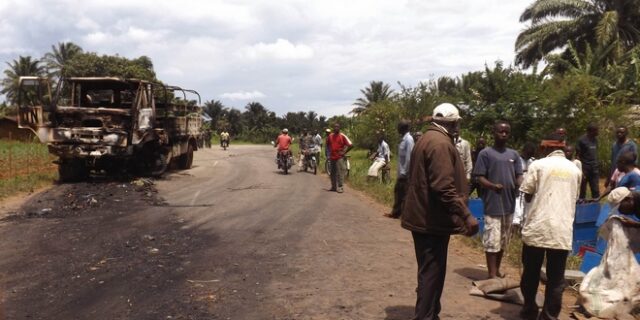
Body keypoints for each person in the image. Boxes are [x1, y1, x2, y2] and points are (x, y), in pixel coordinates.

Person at [401, 103, 479, 320]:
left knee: (430, 272)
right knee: (431, 274)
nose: (459, 128)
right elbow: (443, 187)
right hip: (430, 221)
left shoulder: (427, 139)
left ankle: (431, 313)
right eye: (458, 124)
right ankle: (425, 315)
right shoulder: (440, 144)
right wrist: (465, 215)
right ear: (453, 123)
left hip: (426, 218)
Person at [518, 138, 581, 320]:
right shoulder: (575, 170)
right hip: (561, 230)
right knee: (556, 278)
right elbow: (573, 197)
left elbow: (527, 194)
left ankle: (529, 309)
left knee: (531, 271)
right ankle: (549, 316)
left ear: (545, 147)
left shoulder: (538, 165)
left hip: (538, 226)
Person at [473, 120, 523, 279]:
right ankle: (492, 273)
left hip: (509, 204)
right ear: (493, 133)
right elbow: (479, 177)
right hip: (493, 204)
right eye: (500, 131)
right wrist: (492, 186)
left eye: (506, 132)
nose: (503, 134)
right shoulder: (485, 154)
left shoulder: (514, 155)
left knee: (503, 241)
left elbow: (519, 175)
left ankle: (497, 270)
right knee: (492, 240)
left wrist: (520, 183)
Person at [385, 120, 414, 219]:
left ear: (403, 128)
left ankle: (405, 216)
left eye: (399, 127)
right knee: (398, 192)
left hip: (405, 173)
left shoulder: (408, 140)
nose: (397, 129)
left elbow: (409, 158)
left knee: (404, 194)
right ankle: (396, 213)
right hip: (401, 172)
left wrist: (404, 173)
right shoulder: (403, 139)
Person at [327, 123, 353, 193]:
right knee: (332, 173)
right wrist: (329, 154)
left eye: (337, 127)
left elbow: (350, 145)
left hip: (339, 157)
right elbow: (328, 145)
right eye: (335, 127)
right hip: (332, 157)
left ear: (339, 128)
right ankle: (333, 187)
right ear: (333, 128)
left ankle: (340, 187)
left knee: (340, 173)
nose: (336, 128)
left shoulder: (342, 136)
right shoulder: (330, 136)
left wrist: (344, 152)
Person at [576, 123, 600, 199]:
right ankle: (581, 205)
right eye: (596, 130)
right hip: (584, 168)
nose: (598, 132)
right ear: (591, 131)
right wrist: (581, 169)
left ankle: (596, 205)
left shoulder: (595, 140)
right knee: (582, 189)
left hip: (594, 168)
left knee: (595, 189)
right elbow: (577, 156)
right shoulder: (581, 140)